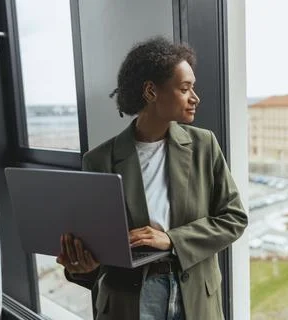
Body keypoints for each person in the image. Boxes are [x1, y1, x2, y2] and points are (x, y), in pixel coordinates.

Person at [55, 36, 248, 320]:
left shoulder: (204, 145)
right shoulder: (99, 160)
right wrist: (80, 266)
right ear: (151, 91)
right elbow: (99, 249)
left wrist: (171, 240)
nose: (195, 97)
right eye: (185, 88)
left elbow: (234, 219)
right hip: (129, 301)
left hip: (195, 297)